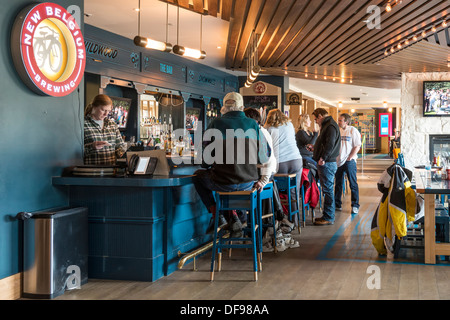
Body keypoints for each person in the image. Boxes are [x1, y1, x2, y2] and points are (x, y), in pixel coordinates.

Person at [192, 92, 270, 237]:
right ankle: (235, 218)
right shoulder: (253, 124)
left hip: (223, 183)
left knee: (198, 176)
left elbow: (204, 161)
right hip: (248, 184)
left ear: (223, 107)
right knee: (228, 190)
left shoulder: (216, 123)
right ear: (242, 107)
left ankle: (217, 214)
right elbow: (265, 156)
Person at [265, 109, 303, 229]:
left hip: (279, 163)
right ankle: (295, 222)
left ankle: (277, 219)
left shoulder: (269, 128)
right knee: (294, 193)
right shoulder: (290, 125)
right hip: (296, 160)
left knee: (273, 190)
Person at [311, 108, 341, 226]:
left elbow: (330, 144)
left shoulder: (330, 126)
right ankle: (327, 215)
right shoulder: (328, 125)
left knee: (328, 190)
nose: (316, 122)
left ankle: (329, 217)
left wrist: (323, 158)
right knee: (327, 189)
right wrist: (315, 149)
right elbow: (326, 144)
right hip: (327, 161)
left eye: (315, 119)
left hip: (327, 163)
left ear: (320, 116)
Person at [84, 94, 127, 165]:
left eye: (108, 111)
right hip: (92, 172)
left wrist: (122, 151)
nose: (106, 114)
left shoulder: (112, 124)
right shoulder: (83, 124)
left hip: (111, 172)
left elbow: (119, 147)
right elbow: (72, 151)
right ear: (94, 107)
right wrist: (92, 147)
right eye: (103, 110)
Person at [334, 113, 362, 215]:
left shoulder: (352, 131)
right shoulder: (339, 130)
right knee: (338, 183)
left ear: (346, 121)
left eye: (340, 120)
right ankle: (337, 203)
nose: (339, 122)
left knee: (353, 184)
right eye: (338, 120)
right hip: (339, 161)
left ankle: (355, 205)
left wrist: (350, 157)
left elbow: (357, 146)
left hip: (350, 161)